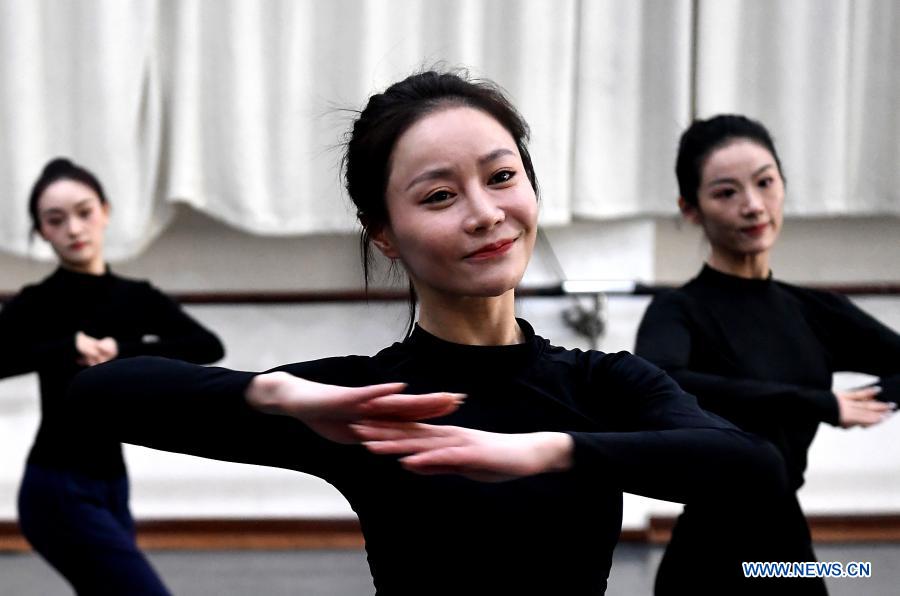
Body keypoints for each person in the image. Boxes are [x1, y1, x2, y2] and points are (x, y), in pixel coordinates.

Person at [69, 73, 795, 595]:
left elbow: (751, 470)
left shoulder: (603, 384)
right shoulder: (371, 405)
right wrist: (272, 393)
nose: (484, 213)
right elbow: (96, 396)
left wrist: (547, 451)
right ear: (384, 235)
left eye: (502, 176)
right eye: (440, 196)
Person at [635, 114, 900, 595]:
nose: (753, 206)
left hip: (785, 553)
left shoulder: (815, 310)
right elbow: (666, 381)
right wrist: (821, 403)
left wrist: (867, 401)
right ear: (690, 208)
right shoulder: (677, 310)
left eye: (765, 183)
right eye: (725, 192)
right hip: (710, 556)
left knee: (850, 576)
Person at [1, 157, 225, 595]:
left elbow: (205, 346)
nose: (74, 229)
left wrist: (124, 350)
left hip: (112, 483)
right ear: (42, 231)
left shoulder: (134, 297)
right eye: (56, 220)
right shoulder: (37, 302)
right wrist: (65, 348)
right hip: (55, 487)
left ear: (105, 212)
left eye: (84, 212)